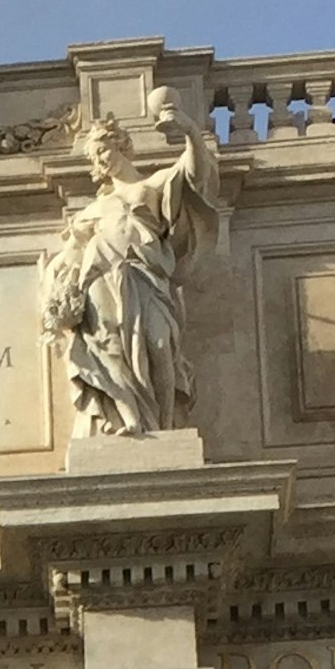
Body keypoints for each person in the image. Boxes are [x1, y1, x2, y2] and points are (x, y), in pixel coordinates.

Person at [39, 87, 224, 439]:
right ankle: (129, 418)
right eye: (94, 156)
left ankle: (163, 424)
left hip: (144, 279)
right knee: (108, 351)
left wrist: (189, 131)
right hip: (100, 285)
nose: (100, 160)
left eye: (103, 150)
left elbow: (195, 175)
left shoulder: (150, 186)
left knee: (158, 345)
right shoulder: (91, 211)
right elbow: (68, 259)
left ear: (121, 146)